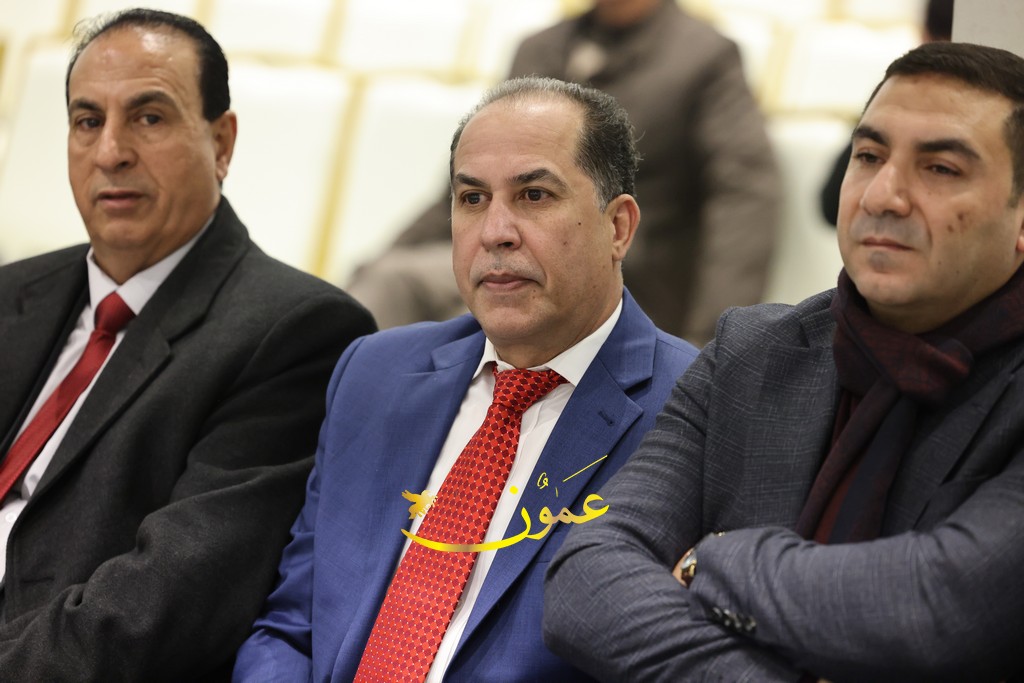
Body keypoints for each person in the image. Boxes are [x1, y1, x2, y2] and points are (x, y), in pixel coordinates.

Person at [544, 41, 1024, 682]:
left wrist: (712, 562)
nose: (884, 196)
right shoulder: (750, 351)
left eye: (940, 168)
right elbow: (585, 580)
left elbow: (936, 605)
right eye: (868, 157)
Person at [233, 77, 699, 682]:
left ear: (618, 227)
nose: (495, 231)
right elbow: (290, 626)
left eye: (534, 195)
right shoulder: (374, 373)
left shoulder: (692, 408)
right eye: (472, 198)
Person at [0, 9, 376, 681]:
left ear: (221, 142)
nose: (110, 152)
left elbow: (163, 607)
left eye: (148, 117)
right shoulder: (11, 293)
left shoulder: (296, 331)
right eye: (88, 120)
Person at [347, 0, 779, 346]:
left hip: (623, 274)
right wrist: (379, 261)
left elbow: (745, 194)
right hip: (510, 249)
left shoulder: (705, 56)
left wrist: (712, 340)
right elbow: (470, 183)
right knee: (391, 280)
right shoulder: (538, 48)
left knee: (488, 320)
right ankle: (332, 417)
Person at [820, 0, 954, 226]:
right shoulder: (896, 95)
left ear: (924, 36)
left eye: (941, 169)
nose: (878, 197)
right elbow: (831, 204)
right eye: (869, 157)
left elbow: (830, 204)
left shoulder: (899, 93)